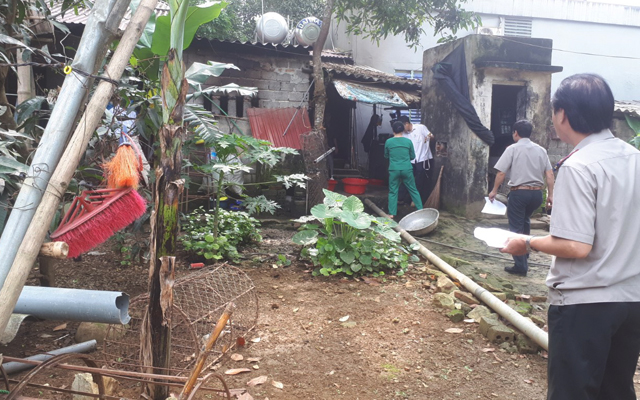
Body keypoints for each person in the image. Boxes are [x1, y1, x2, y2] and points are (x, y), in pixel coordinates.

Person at [500, 74, 640, 400]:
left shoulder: (579, 166)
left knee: (572, 392)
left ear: (562, 114)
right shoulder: (634, 158)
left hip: (586, 304)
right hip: (631, 300)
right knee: (616, 390)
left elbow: (576, 245)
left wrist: (527, 242)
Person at [488, 119, 554, 276]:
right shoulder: (541, 150)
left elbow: (501, 172)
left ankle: (520, 265)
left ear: (515, 133)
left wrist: (494, 190)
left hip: (519, 193)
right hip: (537, 195)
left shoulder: (512, 148)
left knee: (516, 228)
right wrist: (550, 195)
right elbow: (550, 174)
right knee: (525, 222)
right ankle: (525, 253)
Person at [384, 120, 422, 219]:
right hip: (407, 169)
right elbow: (412, 156)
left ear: (393, 130)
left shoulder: (388, 142)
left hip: (394, 170)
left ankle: (391, 214)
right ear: (402, 130)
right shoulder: (408, 142)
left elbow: (386, 155)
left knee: (393, 191)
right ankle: (420, 211)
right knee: (413, 190)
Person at [398, 115, 434, 204]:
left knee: (419, 181)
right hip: (411, 160)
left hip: (422, 159)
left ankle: (415, 200)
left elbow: (431, 136)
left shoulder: (421, 128)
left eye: (402, 127)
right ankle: (400, 198)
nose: (402, 129)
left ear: (407, 124)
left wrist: (428, 137)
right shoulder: (403, 134)